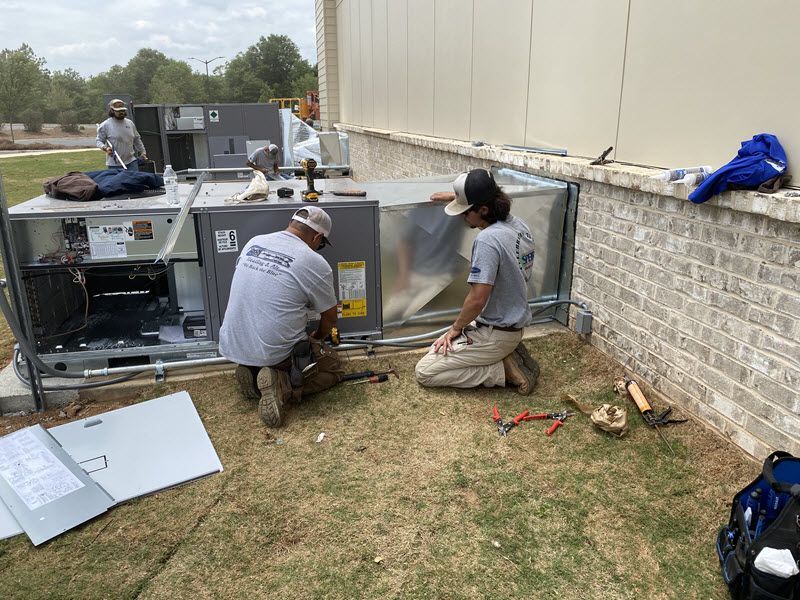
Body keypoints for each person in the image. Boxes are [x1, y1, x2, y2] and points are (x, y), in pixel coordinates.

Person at [415, 169, 540, 394]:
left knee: (425, 371)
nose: (462, 217)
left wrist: (456, 329)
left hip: (494, 333)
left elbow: (477, 298)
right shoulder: (517, 224)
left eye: (465, 211)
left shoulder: (487, 240)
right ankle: (507, 352)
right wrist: (457, 199)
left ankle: (502, 369)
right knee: (437, 347)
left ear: (483, 209)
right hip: (508, 325)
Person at [218, 206, 344, 427]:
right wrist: (318, 337)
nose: (319, 248)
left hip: (234, 343)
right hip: (275, 352)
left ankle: (250, 369)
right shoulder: (314, 262)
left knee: (278, 341)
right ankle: (282, 384)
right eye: (321, 244)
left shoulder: (255, 241)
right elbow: (330, 319)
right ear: (317, 237)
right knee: (333, 366)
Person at [95, 99, 147, 171]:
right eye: (119, 111)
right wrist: (105, 148)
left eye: (123, 110)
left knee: (134, 181)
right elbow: (98, 141)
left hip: (131, 162)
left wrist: (143, 152)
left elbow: (137, 139)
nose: (122, 112)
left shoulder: (130, 123)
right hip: (114, 164)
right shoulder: (106, 125)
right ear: (112, 111)